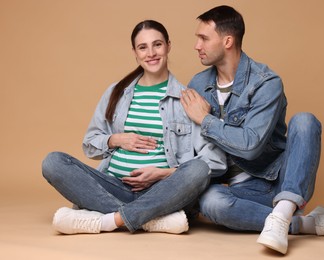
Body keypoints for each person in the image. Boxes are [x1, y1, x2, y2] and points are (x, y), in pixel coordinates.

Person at [180, 5, 324, 255]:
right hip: (241, 192)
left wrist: (206, 120)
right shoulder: (198, 84)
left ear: (227, 41)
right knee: (211, 202)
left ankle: (285, 206)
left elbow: (250, 146)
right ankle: (300, 221)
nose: (196, 46)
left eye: (203, 38)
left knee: (305, 121)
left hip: (279, 178)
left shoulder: (266, 82)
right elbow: (193, 145)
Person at [42, 20, 226, 235]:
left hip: (164, 193)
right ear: (135, 53)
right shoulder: (116, 93)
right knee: (53, 162)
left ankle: (110, 220)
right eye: (143, 47)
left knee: (199, 169)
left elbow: (215, 161)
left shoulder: (187, 100)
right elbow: (90, 146)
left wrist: (164, 174)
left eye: (157, 44)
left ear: (168, 46)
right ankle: (149, 219)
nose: (151, 53)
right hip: (114, 186)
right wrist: (115, 139)